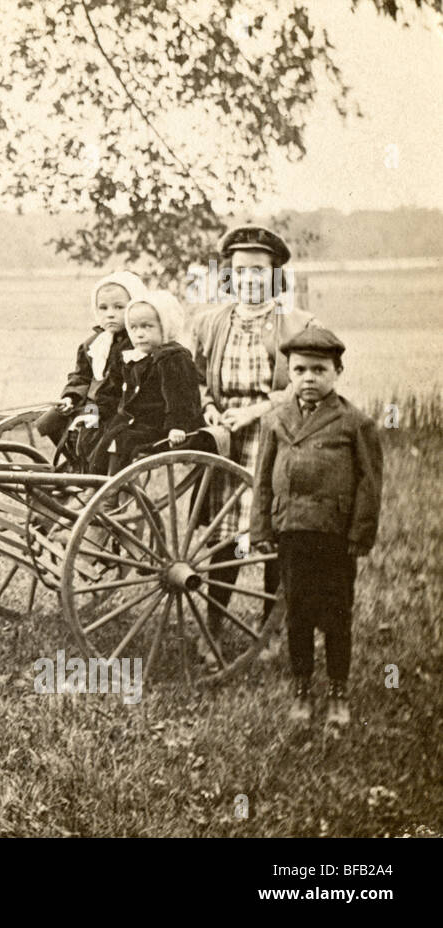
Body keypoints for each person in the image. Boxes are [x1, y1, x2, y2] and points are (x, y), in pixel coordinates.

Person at [251, 328, 382, 730]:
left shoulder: (354, 423)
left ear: (337, 372)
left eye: (319, 369)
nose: (309, 377)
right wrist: (260, 529)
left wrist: (360, 534)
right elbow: (261, 478)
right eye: (300, 369)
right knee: (298, 614)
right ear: (289, 373)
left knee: (337, 613)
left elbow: (370, 483)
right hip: (292, 531)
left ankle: (338, 691)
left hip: (334, 535)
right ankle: (303, 688)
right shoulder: (275, 419)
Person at [189, 224, 320, 629]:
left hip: (277, 438)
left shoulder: (297, 324)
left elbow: (308, 386)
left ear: (275, 275)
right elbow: (194, 378)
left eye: (259, 271)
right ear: (229, 275)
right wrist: (209, 407)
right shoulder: (211, 322)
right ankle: (214, 624)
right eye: (241, 270)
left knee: (274, 533)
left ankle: (271, 627)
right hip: (227, 442)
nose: (249, 279)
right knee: (226, 536)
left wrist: (255, 412)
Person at [35, 270, 147, 471]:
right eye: (103, 308)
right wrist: (71, 398)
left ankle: (95, 472)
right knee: (53, 420)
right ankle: (78, 463)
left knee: (97, 430)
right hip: (93, 406)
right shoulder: (93, 344)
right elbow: (81, 377)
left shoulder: (137, 345)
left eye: (119, 307)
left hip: (117, 410)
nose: (110, 314)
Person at [89, 290, 210, 473]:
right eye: (134, 328)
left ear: (165, 326)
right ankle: (94, 484)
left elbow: (180, 397)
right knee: (105, 434)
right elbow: (111, 390)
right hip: (138, 424)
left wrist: (178, 426)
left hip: (161, 428)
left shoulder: (173, 357)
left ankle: (110, 493)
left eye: (147, 327)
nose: (139, 334)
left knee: (121, 439)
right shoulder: (132, 357)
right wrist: (97, 413)